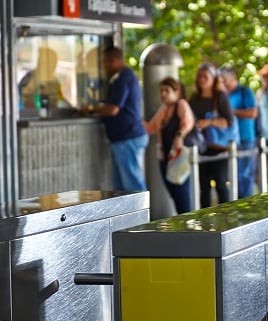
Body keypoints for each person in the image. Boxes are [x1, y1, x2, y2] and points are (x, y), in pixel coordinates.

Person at [80, 45, 148, 191]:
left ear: (115, 60)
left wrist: (91, 108)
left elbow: (113, 109)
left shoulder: (123, 77)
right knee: (120, 188)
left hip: (127, 137)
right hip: (122, 138)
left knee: (133, 185)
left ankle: (143, 213)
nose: (103, 66)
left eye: (105, 62)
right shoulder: (124, 76)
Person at [143, 77, 195, 214]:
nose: (163, 94)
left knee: (181, 194)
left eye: (167, 90)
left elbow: (188, 122)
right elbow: (150, 127)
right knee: (173, 192)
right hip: (165, 156)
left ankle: (187, 227)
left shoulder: (181, 104)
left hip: (178, 156)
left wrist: (179, 135)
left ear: (177, 92)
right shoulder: (164, 109)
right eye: (161, 91)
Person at [189, 62, 235, 208]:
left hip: (218, 148)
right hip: (200, 147)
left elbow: (229, 122)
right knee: (203, 187)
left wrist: (209, 122)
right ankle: (205, 222)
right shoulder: (194, 99)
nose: (201, 79)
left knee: (221, 184)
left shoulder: (220, 97)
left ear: (213, 78)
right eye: (199, 76)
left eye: (205, 76)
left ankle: (227, 218)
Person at [218, 65, 258, 199]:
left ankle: (246, 203)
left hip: (246, 138)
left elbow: (253, 113)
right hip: (227, 140)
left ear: (233, 78)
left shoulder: (244, 91)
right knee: (232, 175)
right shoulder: (222, 94)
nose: (223, 83)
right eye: (221, 81)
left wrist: (231, 113)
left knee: (245, 175)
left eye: (225, 80)